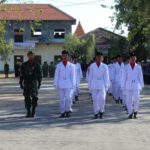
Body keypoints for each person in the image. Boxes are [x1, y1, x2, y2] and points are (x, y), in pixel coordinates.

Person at [121, 52, 144, 119]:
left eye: (134, 58)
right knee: (128, 100)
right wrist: (123, 86)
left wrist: (141, 85)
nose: (133, 59)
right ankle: (130, 112)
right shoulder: (126, 67)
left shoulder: (138, 67)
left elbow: (140, 77)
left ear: (135, 59)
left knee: (137, 99)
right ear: (129, 59)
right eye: (131, 58)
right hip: (128, 85)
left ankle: (135, 110)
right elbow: (123, 77)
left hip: (136, 85)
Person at [19, 51, 42, 117]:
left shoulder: (37, 64)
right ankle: (28, 111)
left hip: (34, 82)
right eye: (29, 55)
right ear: (28, 56)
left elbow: (40, 75)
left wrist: (39, 83)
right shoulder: (24, 64)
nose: (31, 57)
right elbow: (21, 74)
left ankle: (33, 111)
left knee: (34, 97)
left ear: (33, 56)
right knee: (27, 97)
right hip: (26, 83)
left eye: (32, 55)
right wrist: (20, 82)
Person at [54, 50, 75, 118]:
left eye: (66, 56)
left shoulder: (72, 66)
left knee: (68, 98)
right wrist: (55, 84)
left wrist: (73, 85)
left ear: (68, 57)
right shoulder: (58, 65)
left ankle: (68, 110)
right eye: (63, 56)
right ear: (61, 56)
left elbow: (73, 76)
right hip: (61, 83)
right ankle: (62, 112)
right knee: (62, 99)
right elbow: (56, 75)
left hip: (68, 83)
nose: (64, 57)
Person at [88, 52, 110, 119]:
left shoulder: (105, 66)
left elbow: (106, 77)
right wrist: (89, 86)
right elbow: (90, 77)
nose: (99, 58)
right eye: (97, 57)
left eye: (100, 57)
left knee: (102, 98)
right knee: (95, 99)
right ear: (96, 58)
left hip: (102, 83)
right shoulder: (92, 66)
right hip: (94, 83)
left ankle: (101, 110)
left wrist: (107, 86)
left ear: (102, 58)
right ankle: (96, 112)